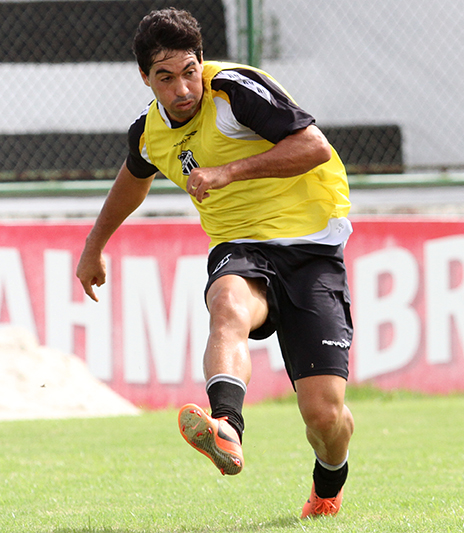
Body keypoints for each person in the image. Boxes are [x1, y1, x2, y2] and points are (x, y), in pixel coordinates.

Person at [76, 8, 354, 519]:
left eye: (188, 71)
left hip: (313, 250)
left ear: (200, 61)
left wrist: (229, 172)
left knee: (324, 415)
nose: (182, 88)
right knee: (226, 302)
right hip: (241, 247)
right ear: (145, 78)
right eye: (165, 77)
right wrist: (94, 247)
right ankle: (226, 424)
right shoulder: (149, 132)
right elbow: (133, 180)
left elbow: (314, 147)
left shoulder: (234, 91)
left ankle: (327, 489)